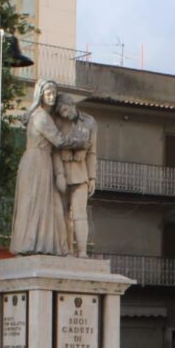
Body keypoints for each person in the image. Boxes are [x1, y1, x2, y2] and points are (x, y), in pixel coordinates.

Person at [10, 79, 86, 256]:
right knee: (35, 202)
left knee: (41, 203)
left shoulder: (41, 116)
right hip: (37, 161)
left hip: (40, 160)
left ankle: (38, 243)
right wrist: (81, 142)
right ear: (41, 95)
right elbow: (59, 140)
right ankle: (31, 243)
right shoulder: (41, 117)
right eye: (48, 93)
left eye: (53, 93)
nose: (51, 97)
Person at [55, 95, 98, 258]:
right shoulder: (57, 123)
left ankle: (82, 251)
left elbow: (92, 152)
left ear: (72, 105)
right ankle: (67, 250)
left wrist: (92, 177)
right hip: (63, 172)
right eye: (61, 112)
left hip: (81, 172)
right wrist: (59, 174)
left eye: (65, 110)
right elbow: (55, 152)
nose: (64, 114)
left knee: (80, 214)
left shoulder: (90, 122)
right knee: (63, 213)